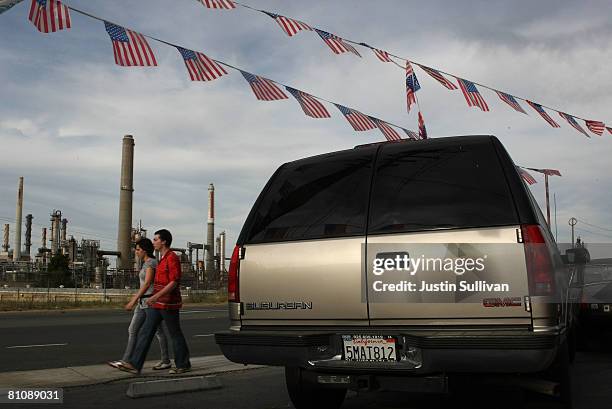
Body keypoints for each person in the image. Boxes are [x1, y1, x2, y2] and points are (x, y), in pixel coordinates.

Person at [118, 229, 191, 374]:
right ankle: (134, 364)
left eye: (156, 239)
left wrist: (155, 297)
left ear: (164, 241)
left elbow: (174, 282)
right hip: (158, 304)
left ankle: (182, 364)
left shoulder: (172, 258)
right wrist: (155, 298)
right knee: (146, 331)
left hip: (169, 304)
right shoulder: (162, 259)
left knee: (174, 333)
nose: (153, 242)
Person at [107, 238, 171, 370]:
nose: (136, 252)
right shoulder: (145, 263)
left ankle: (165, 360)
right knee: (133, 329)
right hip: (142, 303)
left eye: (138, 250)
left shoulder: (151, 263)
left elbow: (147, 283)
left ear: (145, 250)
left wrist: (133, 300)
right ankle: (126, 360)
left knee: (158, 332)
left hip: (149, 302)